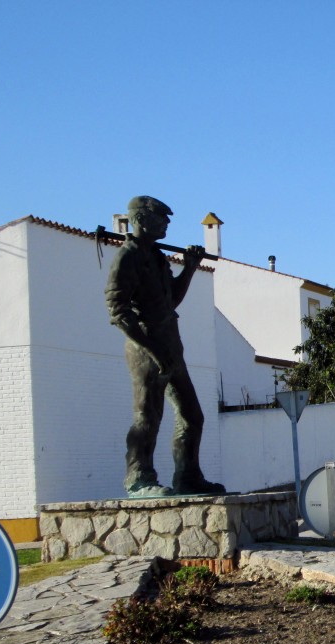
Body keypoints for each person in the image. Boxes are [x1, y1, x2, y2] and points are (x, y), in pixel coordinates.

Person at [105, 196, 225, 497]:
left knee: (192, 415)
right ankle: (138, 478)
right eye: (161, 218)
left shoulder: (155, 256)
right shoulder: (128, 256)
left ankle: (187, 476)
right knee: (147, 416)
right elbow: (118, 311)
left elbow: (170, 299)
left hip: (170, 346)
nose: (167, 223)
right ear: (142, 220)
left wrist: (190, 267)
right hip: (146, 348)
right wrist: (153, 350)